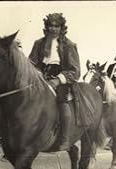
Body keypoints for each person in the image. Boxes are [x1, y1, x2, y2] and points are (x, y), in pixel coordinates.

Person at [29, 13, 80, 151]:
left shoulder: (69, 45)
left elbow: (75, 70)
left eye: (57, 26)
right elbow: (32, 63)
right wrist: (38, 74)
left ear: (62, 27)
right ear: (46, 27)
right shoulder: (38, 43)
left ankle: (65, 138)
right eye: (50, 26)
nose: (53, 29)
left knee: (62, 100)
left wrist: (58, 80)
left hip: (61, 80)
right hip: (40, 78)